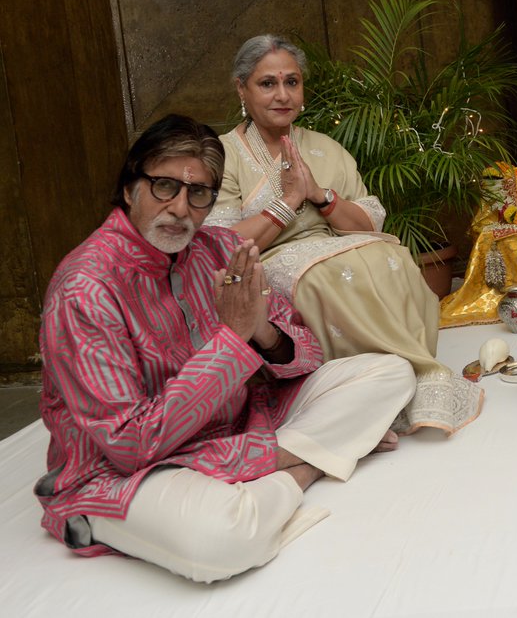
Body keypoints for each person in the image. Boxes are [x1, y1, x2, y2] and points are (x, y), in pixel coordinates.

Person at [36, 115, 414, 583]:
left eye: (198, 193)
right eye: (164, 186)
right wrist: (233, 341)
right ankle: (307, 467)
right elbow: (131, 445)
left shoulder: (219, 249)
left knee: (389, 372)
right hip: (120, 470)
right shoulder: (86, 288)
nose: (180, 208)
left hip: (237, 424)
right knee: (220, 539)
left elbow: (308, 354)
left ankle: (266, 472)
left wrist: (261, 330)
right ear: (130, 188)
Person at [208, 35, 481, 434]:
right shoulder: (224, 155)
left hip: (338, 245)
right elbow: (222, 246)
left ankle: (409, 375)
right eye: (268, 83)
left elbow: (370, 224)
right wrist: (288, 202)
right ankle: (383, 386)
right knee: (328, 277)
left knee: (392, 257)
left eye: (292, 82)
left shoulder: (325, 147)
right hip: (268, 261)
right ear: (241, 89)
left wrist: (320, 195)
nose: (283, 94)